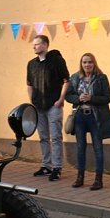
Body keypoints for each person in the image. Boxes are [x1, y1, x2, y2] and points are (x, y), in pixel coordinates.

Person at [65, 53, 110, 190]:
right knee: (80, 147)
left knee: (98, 147)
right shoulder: (75, 77)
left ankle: (98, 180)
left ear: (94, 63)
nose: (87, 65)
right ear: (81, 64)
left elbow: (107, 97)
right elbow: (68, 96)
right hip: (80, 116)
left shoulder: (101, 78)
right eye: (84, 62)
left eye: (90, 62)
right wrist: (78, 98)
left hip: (95, 116)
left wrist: (91, 98)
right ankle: (80, 177)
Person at [27, 35, 70, 181]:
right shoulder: (31, 64)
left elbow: (66, 80)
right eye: (33, 44)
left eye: (37, 44)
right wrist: (32, 101)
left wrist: (61, 99)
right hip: (38, 106)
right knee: (43, 137)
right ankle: (46, 165)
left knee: (55, 137)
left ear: (45, 45)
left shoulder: (56, 61)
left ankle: (57, 167)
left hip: (53, 105)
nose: (34, 47)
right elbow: (29, 84)